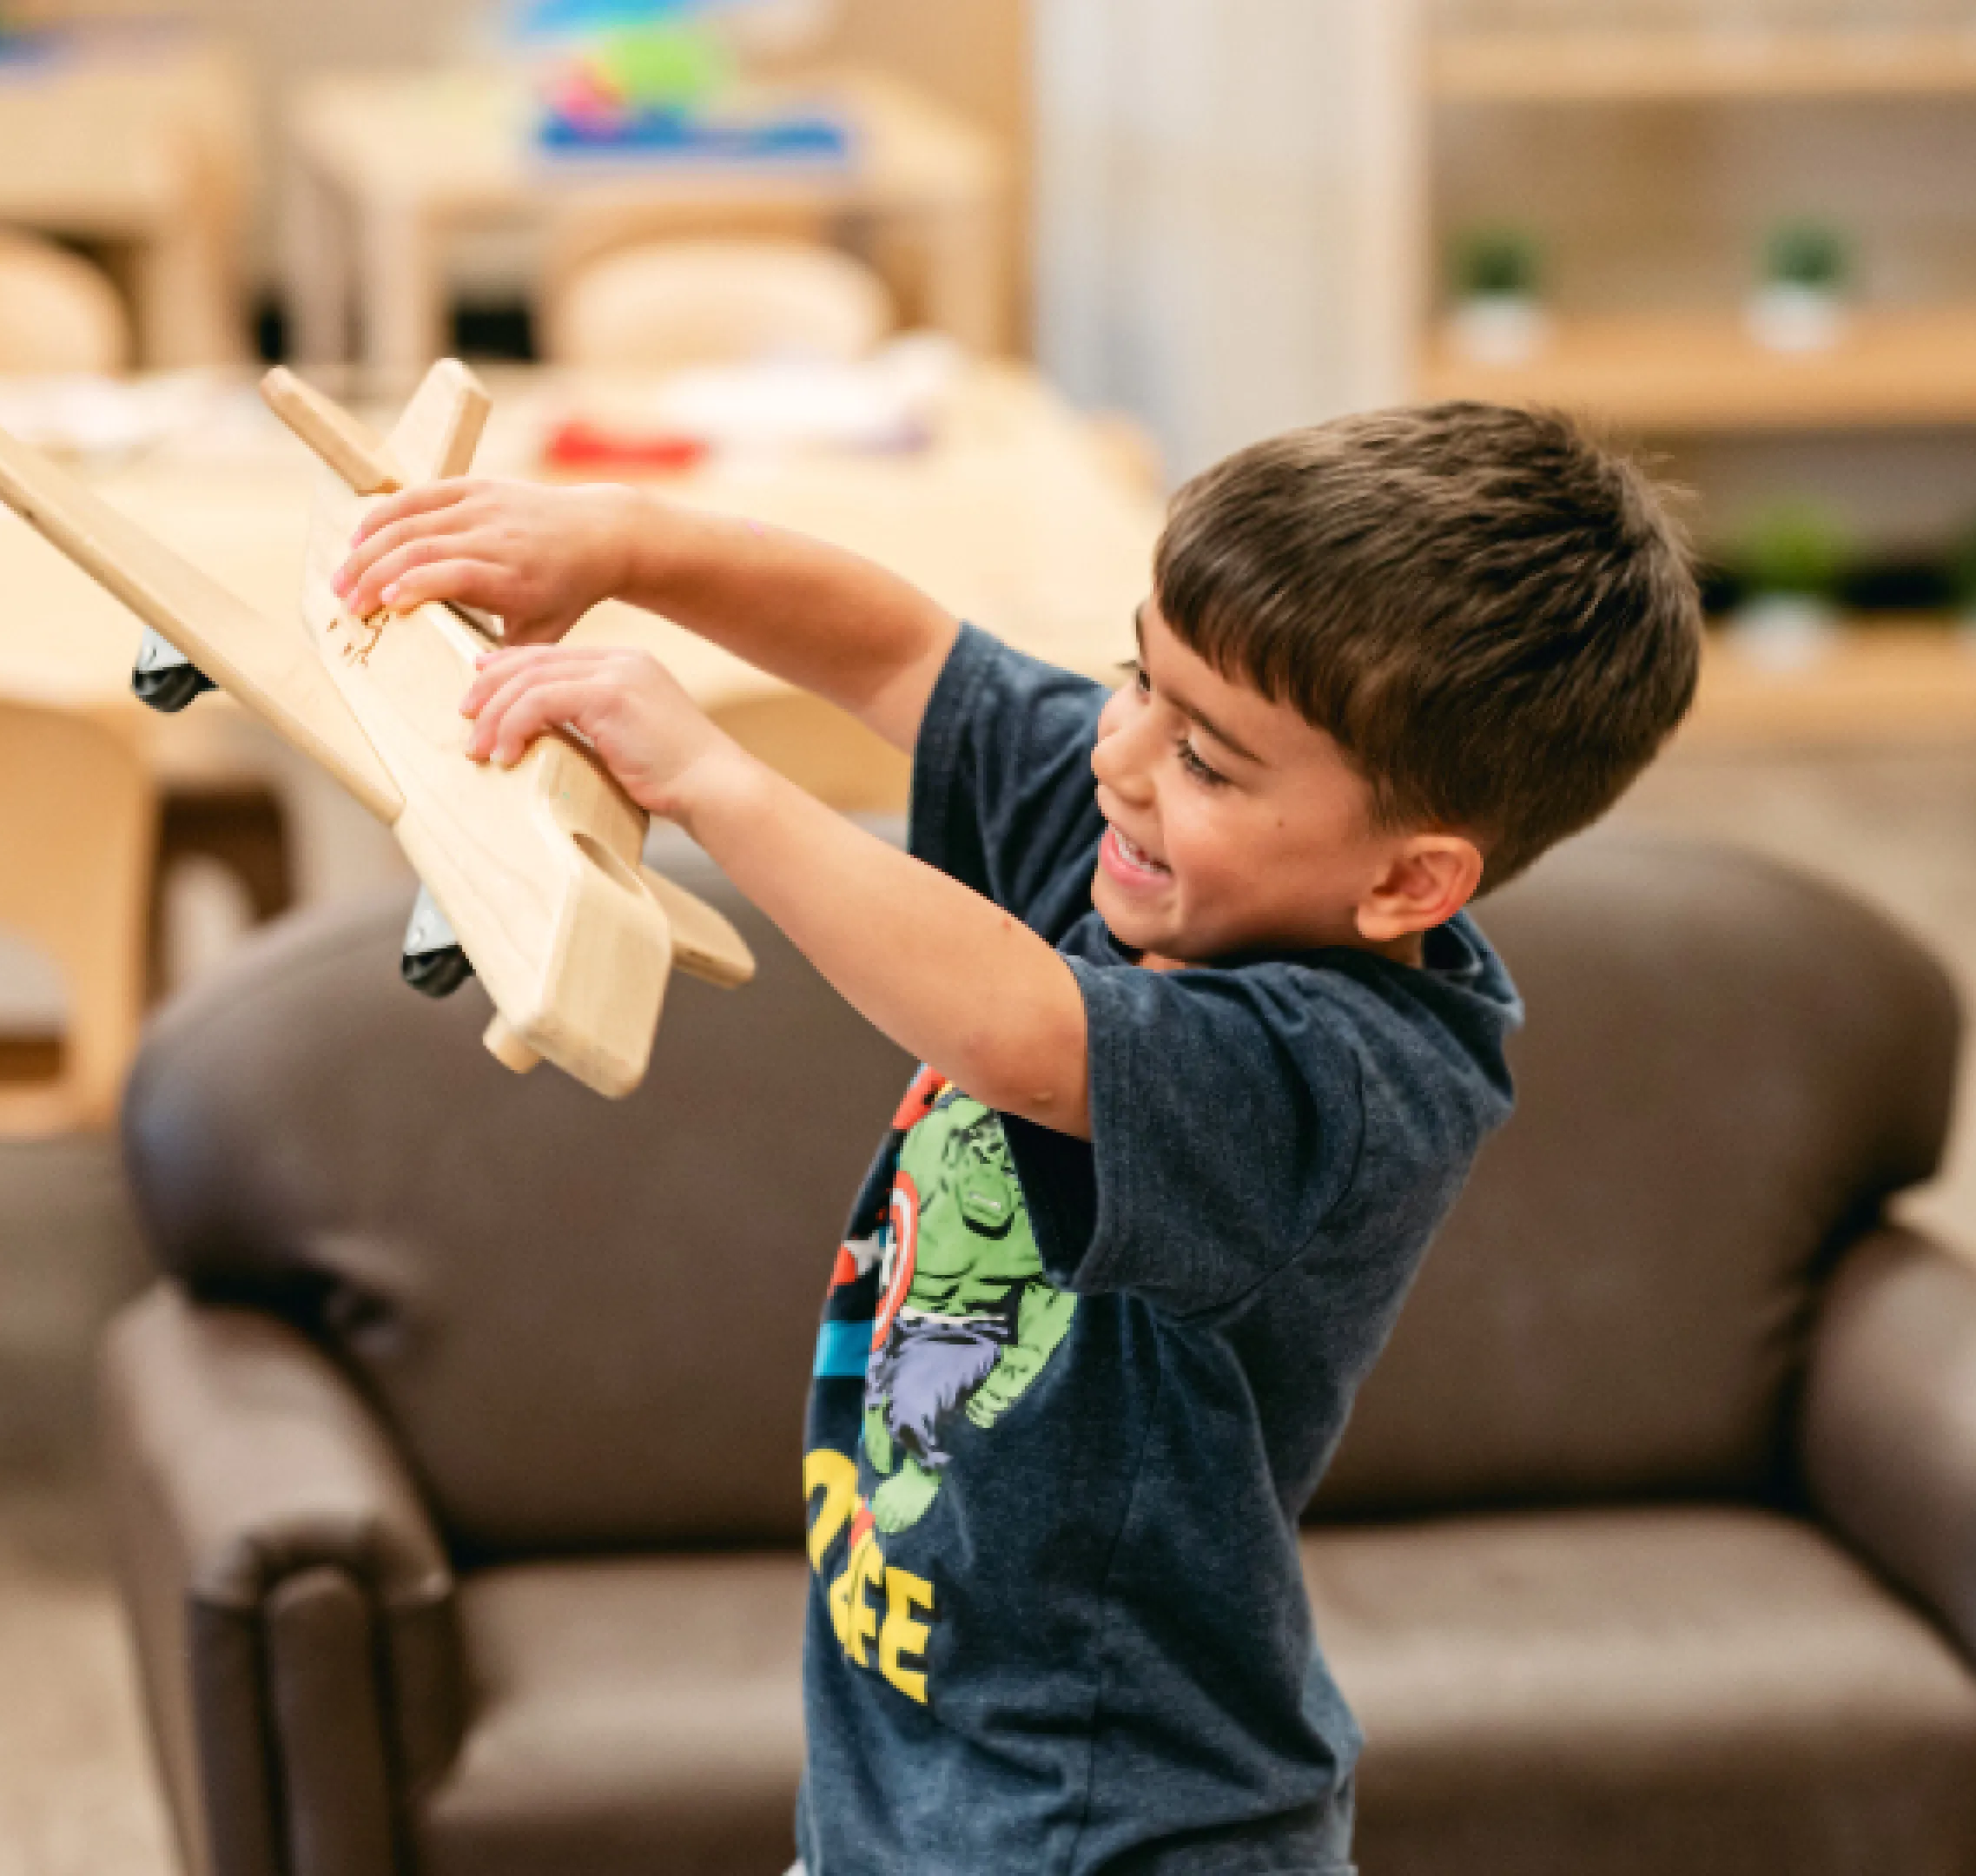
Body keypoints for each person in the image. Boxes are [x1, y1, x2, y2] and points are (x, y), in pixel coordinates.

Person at [333, 400, 1702, 1875]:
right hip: (906, 1784)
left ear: (1409, 881)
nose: (1121, 756)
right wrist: (624, 542)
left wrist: (715, 780)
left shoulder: (1341, 1080)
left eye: (1211, 762)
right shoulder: (1161, 853)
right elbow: (908, 652)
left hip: (1112, 1825)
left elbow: (1024, 1032)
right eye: (1137, 676)